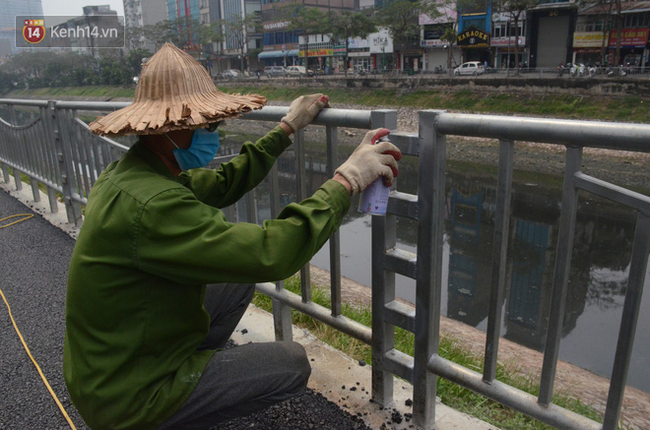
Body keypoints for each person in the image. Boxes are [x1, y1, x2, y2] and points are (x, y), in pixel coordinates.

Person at [63, 42, 401, 430]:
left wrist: (286, 129)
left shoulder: (134, 173)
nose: (214, 133)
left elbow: (224, 181)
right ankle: (165, 414)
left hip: (106, 369)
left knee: (234, 282)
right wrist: (346, 181)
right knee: (290, 365)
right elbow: (271, 252)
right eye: (209, 125)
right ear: (173, 128)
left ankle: (188, 377)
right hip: (127, 395)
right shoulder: (151, 203)